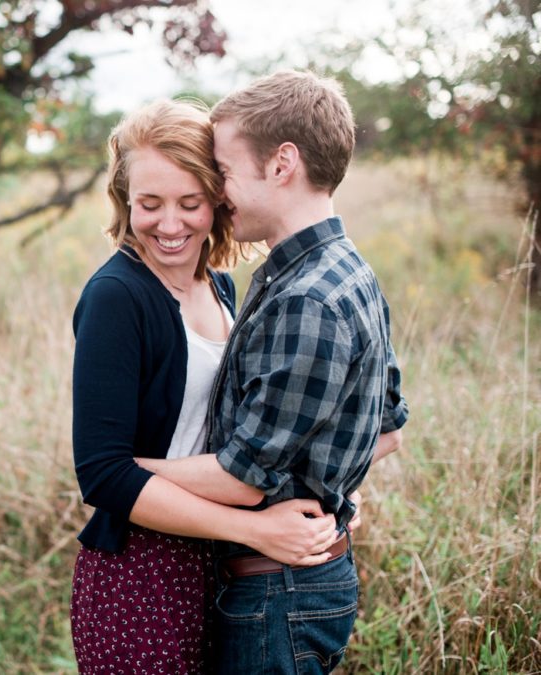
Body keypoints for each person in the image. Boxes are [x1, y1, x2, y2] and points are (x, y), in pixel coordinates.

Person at [136, 71, 409, 673]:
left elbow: (243, 481)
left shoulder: (305, 299)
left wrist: (128, 472)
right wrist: (330, 488)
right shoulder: (346, 269)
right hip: (296, 582)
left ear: (282, 164)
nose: (220, 192)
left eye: (226, 171)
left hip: (278, 594)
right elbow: (387, 430)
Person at [69, 99, 345, 674]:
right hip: (142, 570)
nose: (170, 225)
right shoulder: (117, 297)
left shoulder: (221, 286)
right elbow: (101, 473)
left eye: (189, 203)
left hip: (219, 561)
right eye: (149, 204)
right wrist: (252, 527)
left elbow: (263, 421)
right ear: (124, 201)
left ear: (219, 195)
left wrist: (330, 490)